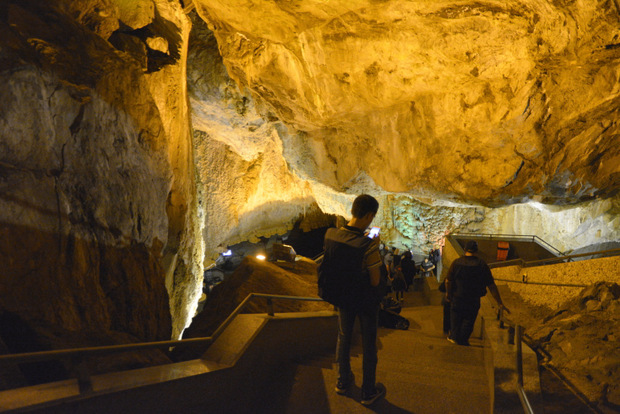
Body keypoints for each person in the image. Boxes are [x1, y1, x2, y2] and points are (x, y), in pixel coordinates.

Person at [320, 194, 386, 406]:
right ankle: (368, 392)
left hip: (342, 296)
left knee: (344, 336)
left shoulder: (330, 235)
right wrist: (374, 246)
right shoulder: (368, 246)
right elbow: (375, 281)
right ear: (368, 215)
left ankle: (342, 381)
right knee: (368, 344)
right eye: (372, 216)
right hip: (365, 301)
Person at [445, 241, 509, 346]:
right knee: (469, 320)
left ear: (465, 250)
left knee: (456, 318)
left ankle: (454, 338)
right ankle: (463, 340)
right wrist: (499, 302)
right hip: (473, 299)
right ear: (476, 251)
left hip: (457, 297)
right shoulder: (481, 264)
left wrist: (448, 294)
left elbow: (448, 280)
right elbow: (491, 285)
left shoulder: (456, 263)